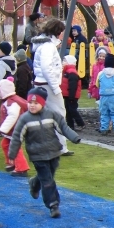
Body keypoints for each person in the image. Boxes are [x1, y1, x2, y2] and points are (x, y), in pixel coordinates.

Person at [8, 87, 81, 218]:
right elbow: (17, 137)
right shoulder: (25, 119)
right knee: (47, 180)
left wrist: (74, 137)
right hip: (37, 155)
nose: (32, 105)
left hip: (53, 152)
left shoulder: (51, 114)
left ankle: (34, 183)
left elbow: (63, 127)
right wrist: (12, 156)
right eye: (30, 102)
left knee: (48, 176)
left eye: (36, 103)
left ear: (43, 103)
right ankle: (53, 205)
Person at [31, 18, 72, 155]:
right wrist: (55, 87)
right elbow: (46, 67)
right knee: (59, 114)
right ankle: (60, 146)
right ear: (58, 31)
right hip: (48, 84)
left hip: (42, 83)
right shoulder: (48, 46)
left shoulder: (44, 45)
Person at [0, 79, 29, 176]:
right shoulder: (12, 100)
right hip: (14, 129)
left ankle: (22, 168)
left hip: (15, 129)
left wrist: (3, 129)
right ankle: (12, 162)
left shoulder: (11, 102)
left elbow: (13, 116)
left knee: (15, 147)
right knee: (5, 144)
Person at [97, 54, 114, 136]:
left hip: (103, 97)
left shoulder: (101, 73)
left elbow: (97, 84)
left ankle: (104, 129)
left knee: (104, 113)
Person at [61, 55, 85, 131]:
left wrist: (71, 97)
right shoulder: (67, 72)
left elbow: (73, 86)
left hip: (72, 96)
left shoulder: (71, 73)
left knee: (72, 110)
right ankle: (70, 125)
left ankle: (80, 123)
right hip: (68, 95)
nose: (63, 62)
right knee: (68, 110)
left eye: (64, 61)